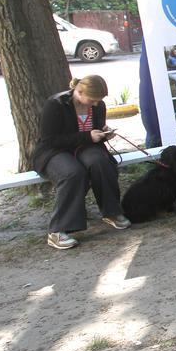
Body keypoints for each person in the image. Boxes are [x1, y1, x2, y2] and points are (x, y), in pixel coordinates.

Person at [31, 75, 131, 250]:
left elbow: (95, 131)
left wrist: (104, 133)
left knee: (100, 162)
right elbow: (50, 140)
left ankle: (112, 212)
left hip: (85, 147)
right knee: (73, 173)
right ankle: (58, 230)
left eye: (98, 101)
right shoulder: (55, 104)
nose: (95, 104)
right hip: (54, 151)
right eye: (92, 100)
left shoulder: (98, 105)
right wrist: (88, 137)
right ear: (79, 92)